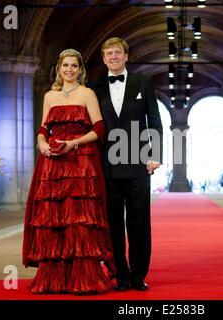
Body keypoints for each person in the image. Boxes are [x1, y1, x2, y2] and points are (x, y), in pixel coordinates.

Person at [22, 48, 115, 294]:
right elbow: (43, 128)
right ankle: (54, 279)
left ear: (80, 69)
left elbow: (100, 128)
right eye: (65, 66)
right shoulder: (49, 96)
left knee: (79, 220)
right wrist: (41, 143)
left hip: (80, 161)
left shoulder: (87, 94)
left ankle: (83, 279)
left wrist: (75, 142)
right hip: (53, 162)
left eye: (74, 66)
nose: (69, 70)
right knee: (53, 219)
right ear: (59, 68)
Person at [88, 37, 163, 291]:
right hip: (106, 163)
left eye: (117, 52)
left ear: (126, 55)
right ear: (103, 58)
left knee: (139, 222)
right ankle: (120, 274)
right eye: (108, 53)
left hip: (138, 163)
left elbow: (154, 120)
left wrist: (156, 155)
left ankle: (138, 275)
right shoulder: (94, 85)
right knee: (113, 224)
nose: (113, 57)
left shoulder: (142, 82)